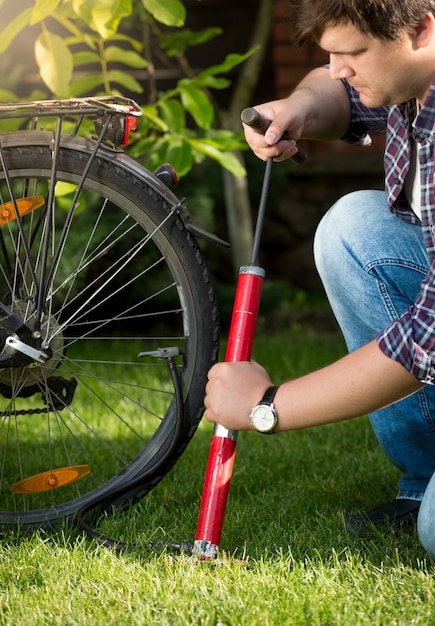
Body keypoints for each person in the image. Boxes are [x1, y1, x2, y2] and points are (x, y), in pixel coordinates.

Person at [203, 0, 435, 558]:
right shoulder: (411, 76)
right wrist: (297, 108)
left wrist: (267, 404)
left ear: (423, 30)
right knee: (354, 227)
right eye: (329, 53)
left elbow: (426, 342)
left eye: (350, 53)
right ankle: (424, 479)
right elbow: (344, 95)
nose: (336, 68)